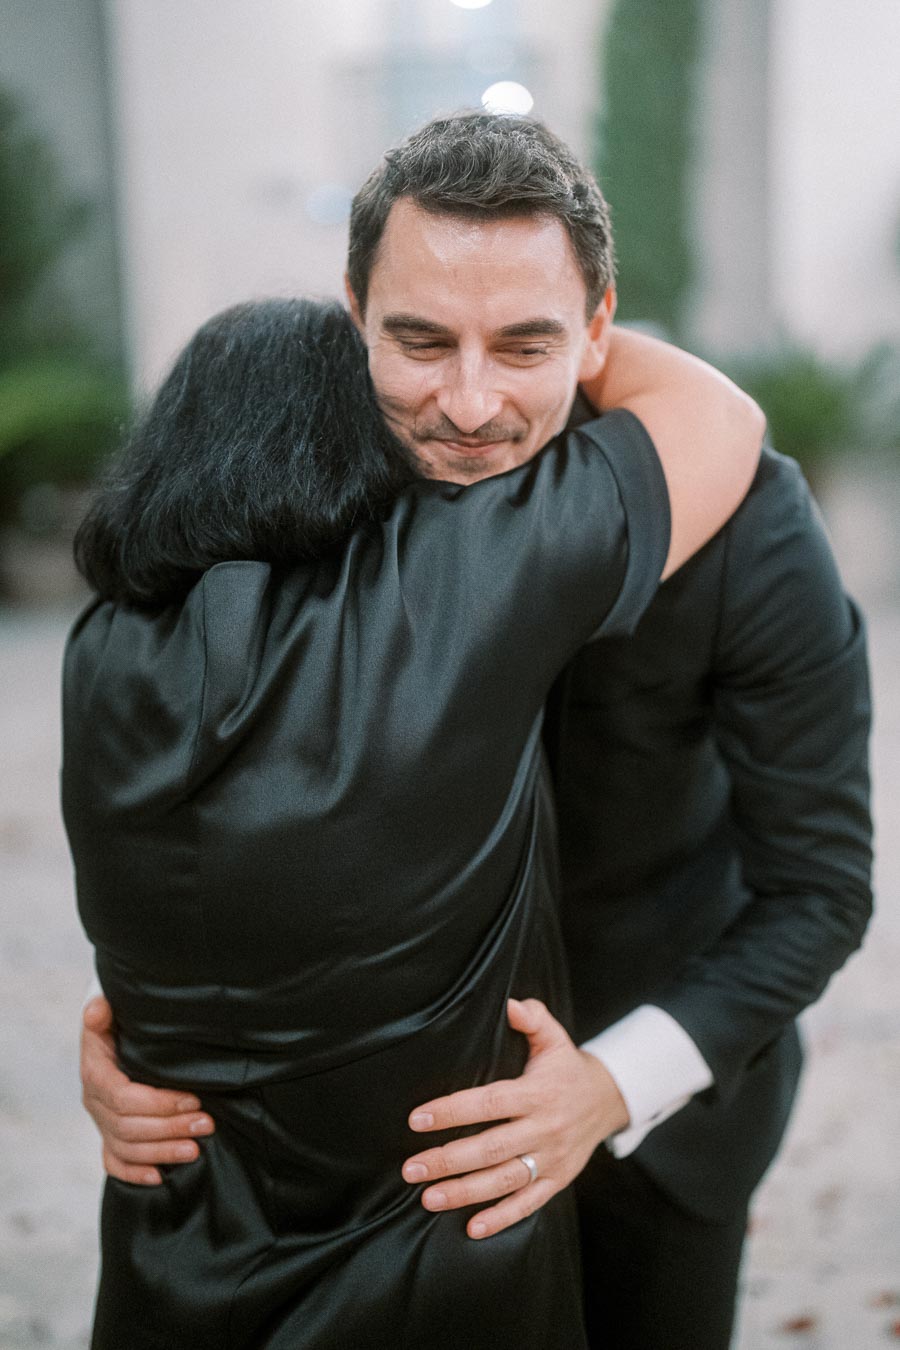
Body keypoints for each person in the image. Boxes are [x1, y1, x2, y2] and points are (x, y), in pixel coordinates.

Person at [78, 114, 872, 1348]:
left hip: (651, 1134)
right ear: (354, 317)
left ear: (601, 328)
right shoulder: (302, 506)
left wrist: (613, 1085)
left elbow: (820, 888)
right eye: (420, 339)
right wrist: (154, 1042)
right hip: (384, 1162)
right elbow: (222, 780)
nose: (468, 403)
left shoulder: (751, 523)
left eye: (525, 343)